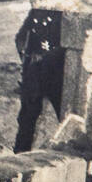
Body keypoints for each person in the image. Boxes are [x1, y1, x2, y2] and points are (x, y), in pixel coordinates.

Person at [13, 8, 66, 152]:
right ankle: (19, 157)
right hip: (35, 74)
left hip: (57, 76)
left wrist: (45, 58)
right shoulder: (36, 12)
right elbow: (20, 37)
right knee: (26, 120)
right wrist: (25, 56)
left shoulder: (65, 14)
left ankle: (68, 157)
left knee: (66, 119)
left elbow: (66, 48)